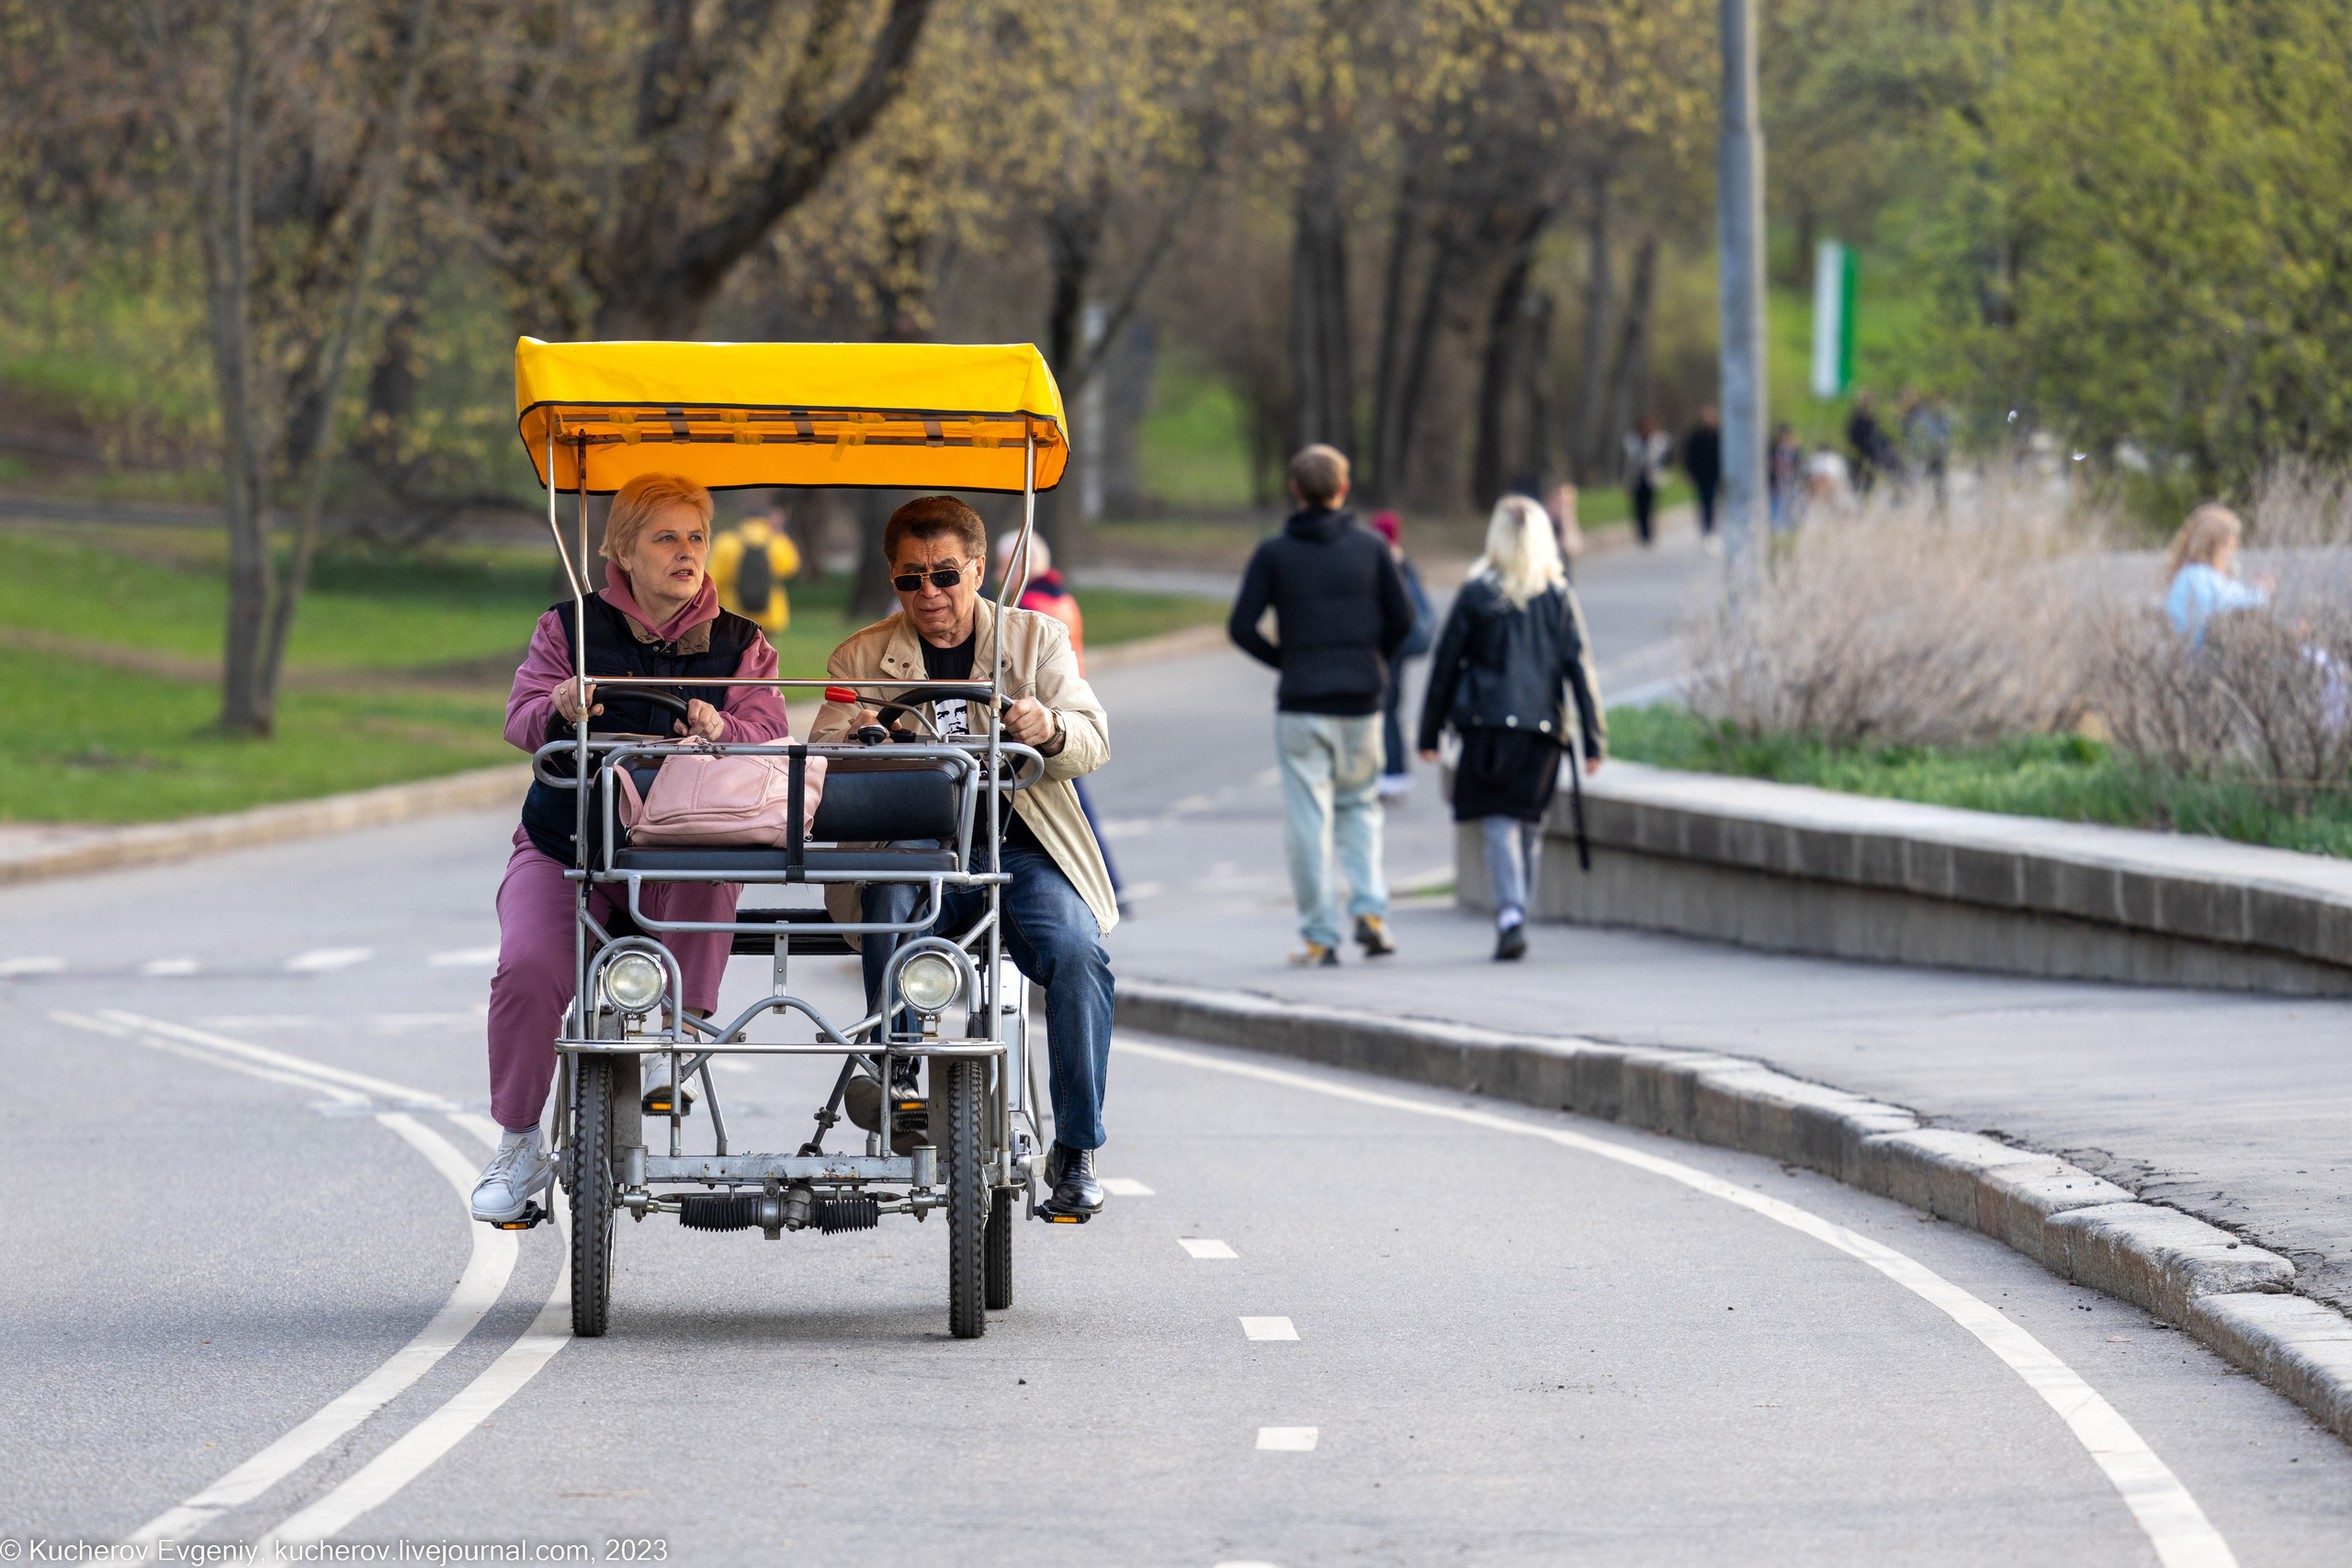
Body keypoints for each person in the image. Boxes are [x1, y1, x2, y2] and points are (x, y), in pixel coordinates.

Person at [470, 474, 794, 1224]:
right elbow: (519, 721)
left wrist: (722, 732)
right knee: (528, 965)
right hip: (570, 841)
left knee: (713, 864)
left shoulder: (744, 642)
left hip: (680, 846)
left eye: (696, 537)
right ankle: (519, 1143)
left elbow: (768, 733)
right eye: (667, 537)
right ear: (621, 549)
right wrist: (558, 703)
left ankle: (670, 1045)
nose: (688, 554)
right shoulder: (568, 628)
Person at [815, 496, 1117, 1221]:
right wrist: (859, 739)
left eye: (945, 575)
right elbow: (822, 756)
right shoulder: (860, 656)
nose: (929, 594)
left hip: (1022, 840)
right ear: (893, 579)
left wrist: (1048, 727)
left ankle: (1075, 1150)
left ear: (978, 570)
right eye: (910, 579)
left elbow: (1092, 737)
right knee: (892, 891)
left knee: (1079, 955)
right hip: (917, 843)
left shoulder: (1036, 638)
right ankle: (900, 1071)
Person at [1228, 444, 1415, 966]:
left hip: (1302, 703)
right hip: (1362, 702)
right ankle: (1372, 912)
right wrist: (1371, 661)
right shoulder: (1373, 548)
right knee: (1361, 808)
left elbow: (1241, 627)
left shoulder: (1275, 553)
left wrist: (1286, 660)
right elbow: (1404, 620)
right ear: (1343, 488)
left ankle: (1318, 935)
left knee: (1309, 820)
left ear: (1295, 490)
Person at [1418, 494, 1605, 962]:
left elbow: (1445, 664)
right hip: (1542, 729)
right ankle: (1517, 911)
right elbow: (1578, 668)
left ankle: (1511, 914)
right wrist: (1593, 739)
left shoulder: (1477, 593)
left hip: (1486, 724)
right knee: (1526, 823)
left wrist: (1429, 732)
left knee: (1499, 823)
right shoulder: (1558, 597)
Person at [993, 527, 1128, 913]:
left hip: (1040, 717)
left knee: (1064, 812)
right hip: (1066, 709)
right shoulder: (1063, 597)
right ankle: (1110, 886)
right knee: (1074, 810)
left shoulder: (1029, 608)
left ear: (1020, 566)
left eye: (1004, 567)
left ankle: (1101, 887)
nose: (999, 578)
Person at [1369, 511, 1434, 800]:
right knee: (1392, 711)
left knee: (1381, 711)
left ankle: (1386, 771)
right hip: (1399, 647)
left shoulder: (1377, 563)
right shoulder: (1405, 562)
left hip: (1383, 647)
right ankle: (1395, 772)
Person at [2164, 502, 2270, 647]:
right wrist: (2262, 591)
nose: (2233, 552)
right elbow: (2230, 603)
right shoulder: (2200, 576)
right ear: (2217, 545)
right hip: (2200, 661)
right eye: (2230, 545)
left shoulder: (2188, 574)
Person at [707, 501, 802, 634]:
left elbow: (714, 579)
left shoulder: (726, 541)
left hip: (735, 613)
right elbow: (791, 568)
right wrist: (780, 532)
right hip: (769, 613)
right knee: (767, 652)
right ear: (764, 520)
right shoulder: (777, 541)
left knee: (736, 652)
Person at [1623, 417, 1669, 546]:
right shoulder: (1632, 441)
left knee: (1650, 506)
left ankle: (1649, 532)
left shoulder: (1657, 441)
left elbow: (1662, 456)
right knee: (1638, 507)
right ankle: (1641, 532)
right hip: (1636, 478)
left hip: (1651, 478)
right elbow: (1629, 461)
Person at [1682, 406, 1723, 543]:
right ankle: (1706, 526)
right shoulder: (1696, 436)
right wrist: (1690, 473)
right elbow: (1690, 456)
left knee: (1711, 500)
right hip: (1700, 474)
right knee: (1703, 500)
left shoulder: (1718, 435)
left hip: (1713, 474)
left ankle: (1710, 526)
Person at [1847, 391, 1889, 497]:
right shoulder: (1858, 420)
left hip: (1875, 457)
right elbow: (1855, 439)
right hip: (1865, 457)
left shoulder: (1871, 419)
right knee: (1866, 486)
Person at [1768, 423, 1804, 531]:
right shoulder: (1773, 450)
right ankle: (1776, 527)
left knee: (1790, 506)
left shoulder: (1796, 452)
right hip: (1776, 483)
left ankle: (1790, 526)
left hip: (1791, 483)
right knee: (1775, 506)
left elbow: (1799, 467)